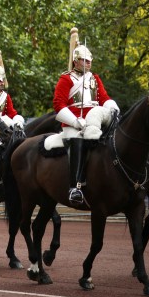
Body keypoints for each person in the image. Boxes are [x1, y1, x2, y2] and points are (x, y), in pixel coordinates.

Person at [53, 28, 120, 206]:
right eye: (84, 60)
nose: (88, 63)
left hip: (94, 121)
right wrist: (75, 121)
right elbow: (58, 104)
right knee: (78, 141)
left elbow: (104, 98)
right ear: (75, 61)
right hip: (73, 124)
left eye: (89, 60)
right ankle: (75, 186)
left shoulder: (95, 79)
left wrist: (112, 107)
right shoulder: (65, 79)